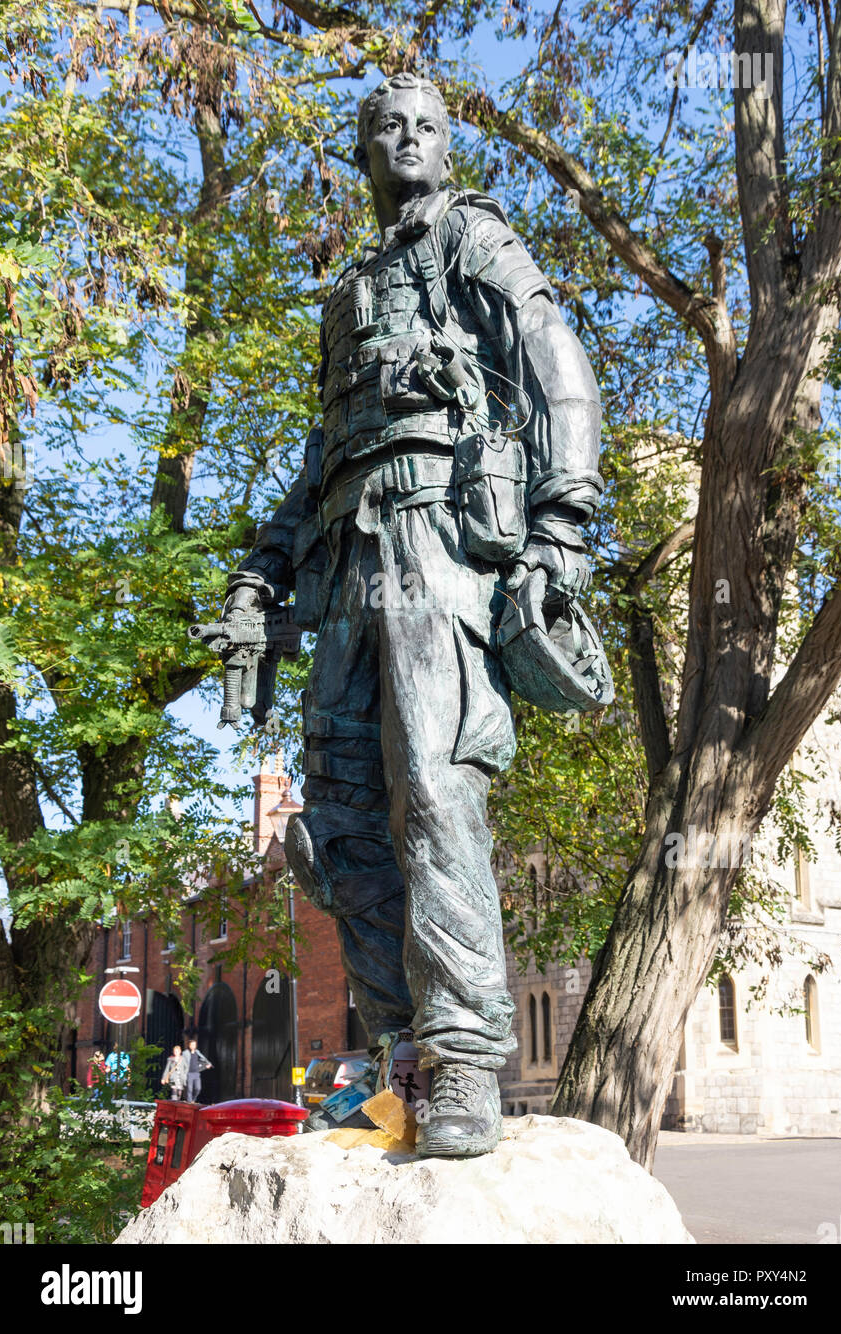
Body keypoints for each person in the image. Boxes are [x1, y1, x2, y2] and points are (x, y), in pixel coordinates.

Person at [219, 73, 603, 1158]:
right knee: (336, 820)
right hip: (341, 555)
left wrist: (561, 521)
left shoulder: (474, 241)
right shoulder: (345, 296)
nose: (405, 139)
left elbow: (553, 363)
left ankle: (467, 1053)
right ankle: (400, 1055)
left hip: (432, 535)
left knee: (432, 781)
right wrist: (259, 575)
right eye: (384, 127)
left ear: (444, 144)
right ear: (363, 151)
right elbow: (314, 460)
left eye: (424, 125)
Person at [184, 1037, 213, 1103]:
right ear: (189, 1045)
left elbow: (203, 1059)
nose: (193, 1046)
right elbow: (182, 1062)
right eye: (192, 1045)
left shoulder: (197, 1052)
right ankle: (189, 1102)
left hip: (197, 1073)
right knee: (190, 1089)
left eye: (194, 1045)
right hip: (189, 1073)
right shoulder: (185, 1053)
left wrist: (207, 1064)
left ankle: (193, 1100)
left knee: (198, 1088)